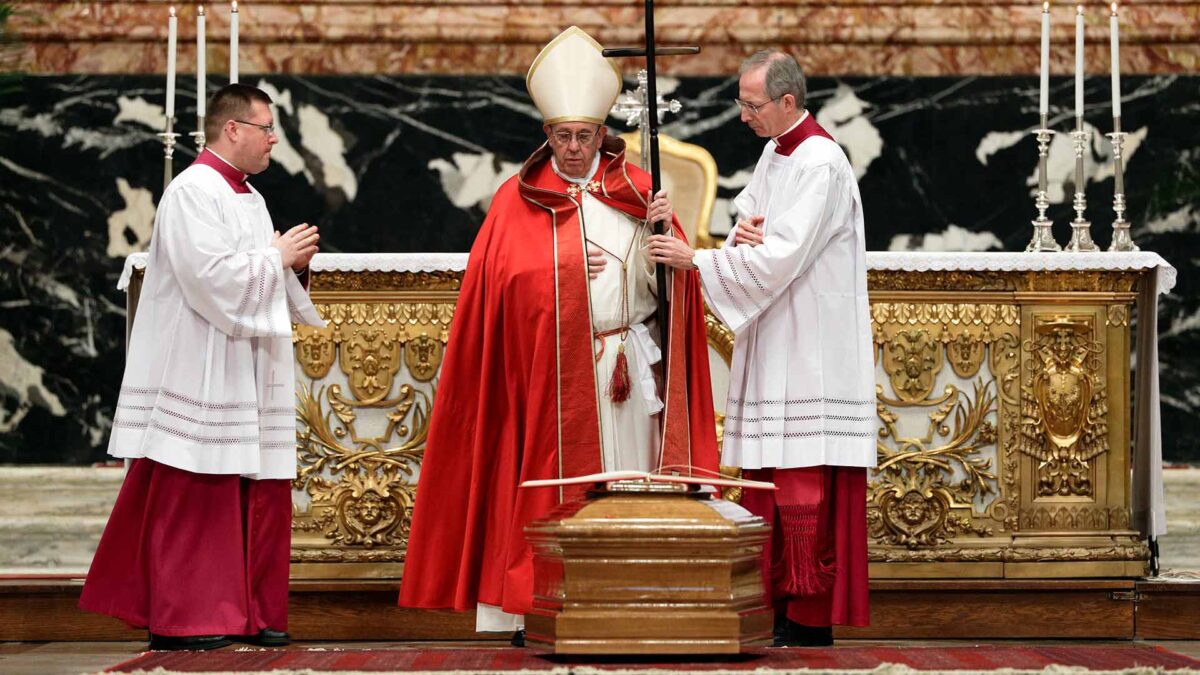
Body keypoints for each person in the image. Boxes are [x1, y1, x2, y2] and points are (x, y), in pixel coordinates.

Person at [398, 26, 719, 645]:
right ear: (546, 135)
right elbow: (500, 295)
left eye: (585, 135)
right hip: (550, 377)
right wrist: (563, 270)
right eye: (562, 136)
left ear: (604, 133)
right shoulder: (516, 200)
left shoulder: (641, 193)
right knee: (555, 493)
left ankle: (632, 601)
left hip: (630, 367)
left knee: (626, 490)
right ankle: (537, 605)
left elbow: (673, 289)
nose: (573, 148)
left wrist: (666, 255)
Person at [78, 83, 325, 651]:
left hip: (242, 361)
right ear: (231, 129)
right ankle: (189, 615)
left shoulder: (248, 196)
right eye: (265, 128)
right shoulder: (191, 191)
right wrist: (276, 258)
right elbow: (208, 278)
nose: (273, 139)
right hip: (201, 363)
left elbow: (253, 271)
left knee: (252, 483)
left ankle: (248, 611)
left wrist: (289, 267)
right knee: (199, 485)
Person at [647, 51, 875, 647]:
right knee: (768, 472)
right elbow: (753, 218)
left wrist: (697, 258)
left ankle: (807, 612)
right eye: (742, 104)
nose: (743, 116)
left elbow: (782, 256)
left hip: (810, 342)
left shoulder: (822, 161)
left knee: (801, 473)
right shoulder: (779, 150)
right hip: (776, 331)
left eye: (752, 105)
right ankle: (773, 601)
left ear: (788, 102)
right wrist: (741, 232)